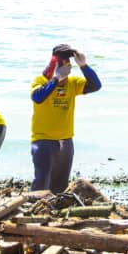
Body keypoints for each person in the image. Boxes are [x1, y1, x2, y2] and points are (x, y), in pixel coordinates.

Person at [29, 44, 102, 193]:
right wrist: (56, 79)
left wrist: (83, 66)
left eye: (68, 71)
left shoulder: (72, 83)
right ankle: (32, 210)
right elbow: (37, 97)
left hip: (66, 140)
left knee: (61, 185)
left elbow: (96, 85)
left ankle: (55, 213)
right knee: (42, 182)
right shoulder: (40, 80)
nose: (66, 76)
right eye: (63, 71)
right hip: (43, 140)